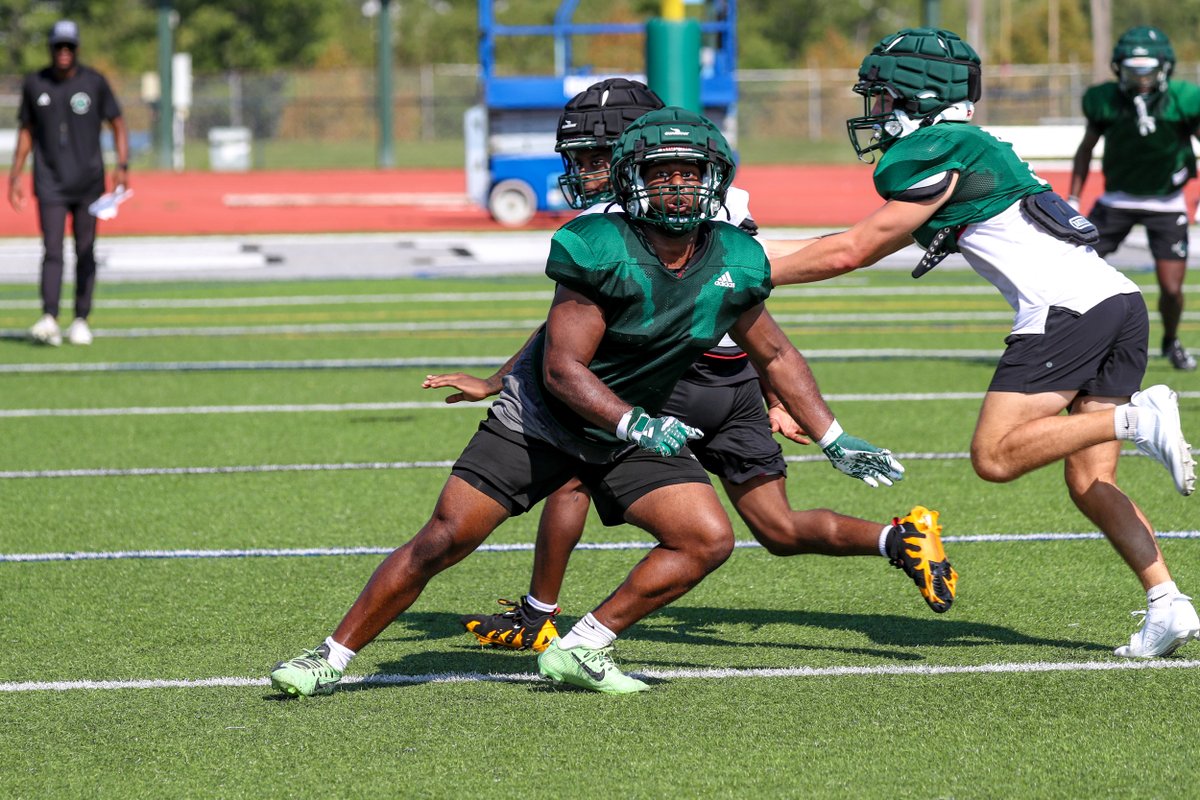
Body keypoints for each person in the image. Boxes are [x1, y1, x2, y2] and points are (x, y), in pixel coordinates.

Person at [270, 107, 905, 696]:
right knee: (445, 539)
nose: (679, 187)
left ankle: (583, 647)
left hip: (635, 428)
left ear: (716, 181)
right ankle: (329, 656)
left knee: (706, 539)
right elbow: (563, 366)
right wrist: (634, 421)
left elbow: (775, 354)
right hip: (547, 420)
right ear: (632, 181)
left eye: (692, 173)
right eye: (663, 173)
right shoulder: (598, 245)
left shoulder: (735, 257)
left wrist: (834, 436)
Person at [427, 79, 956, 657]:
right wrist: (777, 397)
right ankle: (898, 539)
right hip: (737, 378)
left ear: (629, 151)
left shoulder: (628, 216)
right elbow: (744, 310)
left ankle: (538, 617)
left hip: (675, 378)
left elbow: (578, 333)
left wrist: (501, 380)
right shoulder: (712, 193)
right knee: (776, 528)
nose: (582, 169)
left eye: (590, 156)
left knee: (575, 466)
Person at [768, 27, 1198, 659]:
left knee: (995, 457)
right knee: (1089, 479)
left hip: (1064, 309)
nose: (876, 112)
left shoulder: (940, 147)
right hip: (1115, 301)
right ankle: (1168, 602)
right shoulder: (969, 147)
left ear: (918, 97)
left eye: (884, 97)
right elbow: (859, 240)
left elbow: (852, 252)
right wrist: (751, 251)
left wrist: (731, 273)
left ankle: (1141, 417)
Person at [1069, 26, 1199, 371]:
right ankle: (1072, 340)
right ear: (1118, 68)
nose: (1141, 78)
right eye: (1132, 70)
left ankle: (1171, 340)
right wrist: (1073, 198)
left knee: (1171, 289)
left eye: (1148, 70)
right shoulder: (1105, 99)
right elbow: (1086, 149)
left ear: (1165, 68)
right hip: (1117, 200)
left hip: (1166, 201)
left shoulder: (1184, 99)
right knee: (1072, 268)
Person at [8, 19, 128, 347]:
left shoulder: (94, 82)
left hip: (89, 182)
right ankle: (49, 316)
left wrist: (122, 165)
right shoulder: (35, 84)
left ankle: (81, 319)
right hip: (50, 181)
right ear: (50, 48)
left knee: (85, 249)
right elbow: (26, 131)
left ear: (76, 49)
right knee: (52, 249)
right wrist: (15, 173)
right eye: (58, 46)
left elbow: (117, 123)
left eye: (69, 47)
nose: (64, 52)